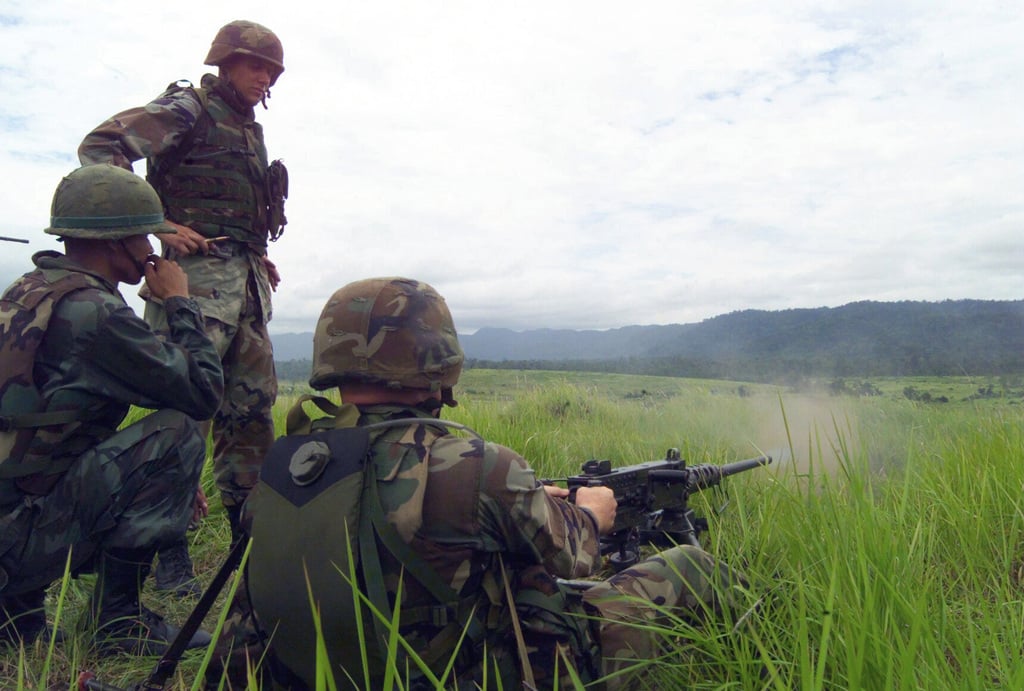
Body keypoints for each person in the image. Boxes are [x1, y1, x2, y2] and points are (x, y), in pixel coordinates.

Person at [223, 277, 746, 690]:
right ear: (437, 359)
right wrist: (587, 513)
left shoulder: (290, 465)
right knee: (691, 567)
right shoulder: (477, 463)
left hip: (325, 669)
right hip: (461, 675)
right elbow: (576, 558)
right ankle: (765, 650)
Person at [78, 19, 288, 596]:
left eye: (271, 69)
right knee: (182, 418)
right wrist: (156, 225)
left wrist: (254, 252)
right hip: (189, 288)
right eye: (253, 64)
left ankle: (256, 548)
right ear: (225, 61)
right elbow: (101, 149)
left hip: (243, 285)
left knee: (251, 417)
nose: (263, 75)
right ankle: (165, 558)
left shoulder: (249, 131)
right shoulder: (186, 109)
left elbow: (234, 208)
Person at [0, 164, 224, 655]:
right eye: (144, 235)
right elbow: (203, 392)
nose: (151, 247)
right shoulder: (97, 315)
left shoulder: (27, 290)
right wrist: (179, 303)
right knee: (179, 434)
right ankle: (117, 624)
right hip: (18, 540)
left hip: (9, 521)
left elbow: (56, 420)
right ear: (116, 242)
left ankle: (14, 615)